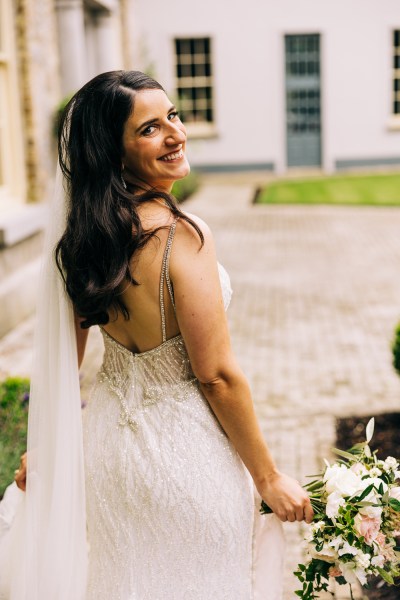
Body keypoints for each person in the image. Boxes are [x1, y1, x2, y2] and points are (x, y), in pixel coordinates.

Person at [11, 70, 313, 599]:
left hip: (107, 454)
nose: (176, 134)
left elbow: (64, 360)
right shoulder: (180, 234)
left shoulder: (86, 237)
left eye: (173, 116)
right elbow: (216, 375)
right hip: (185, 457)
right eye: (149, 129)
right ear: (115, 153)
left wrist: (50, 447)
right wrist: (267, 477)